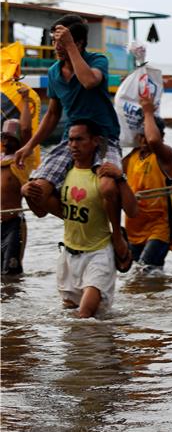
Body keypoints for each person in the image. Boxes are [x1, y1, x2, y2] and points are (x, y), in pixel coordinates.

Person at [13, 14, 130, 269]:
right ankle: (79, 221)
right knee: (36, 193)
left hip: (103, 137)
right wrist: (30, 145)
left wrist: (71, 48)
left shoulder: (96, 60)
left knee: (109, 187)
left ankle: (117, 236)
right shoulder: (54, 71)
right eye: (55, 40)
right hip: (73, 138)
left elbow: (89, 81)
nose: (56, 47)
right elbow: (53, 114)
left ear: (78, 43)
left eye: (62, 42)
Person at [36, 120, 138, 318]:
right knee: (70, 319)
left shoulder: (103, 176)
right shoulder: (64, 174)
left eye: (80, 139)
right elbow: (44, 210)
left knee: (84, 316)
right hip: (69, 255)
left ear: (94, 142)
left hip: (99, 254)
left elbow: (133, 210)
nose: (74, 145)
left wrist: (121, 178)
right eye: (71, 140)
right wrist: (30, 192)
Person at [122, 95, 172, 273]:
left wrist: (148, 111)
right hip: (134, 227)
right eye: (142, 135)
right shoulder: (131, 158)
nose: (146, 139)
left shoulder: (165, 156)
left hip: (160, 226)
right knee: (138, 275)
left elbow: (154, 141)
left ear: (162, 136)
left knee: (145, 271)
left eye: (149, 134)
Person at [1, 88, 32, 277]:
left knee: (11, 274)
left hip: (13, 225)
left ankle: (14, 303)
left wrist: (26, 100)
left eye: (9, 137)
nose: (5, 140)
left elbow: (27, 130)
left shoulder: (22, 160)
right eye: (3, 137)